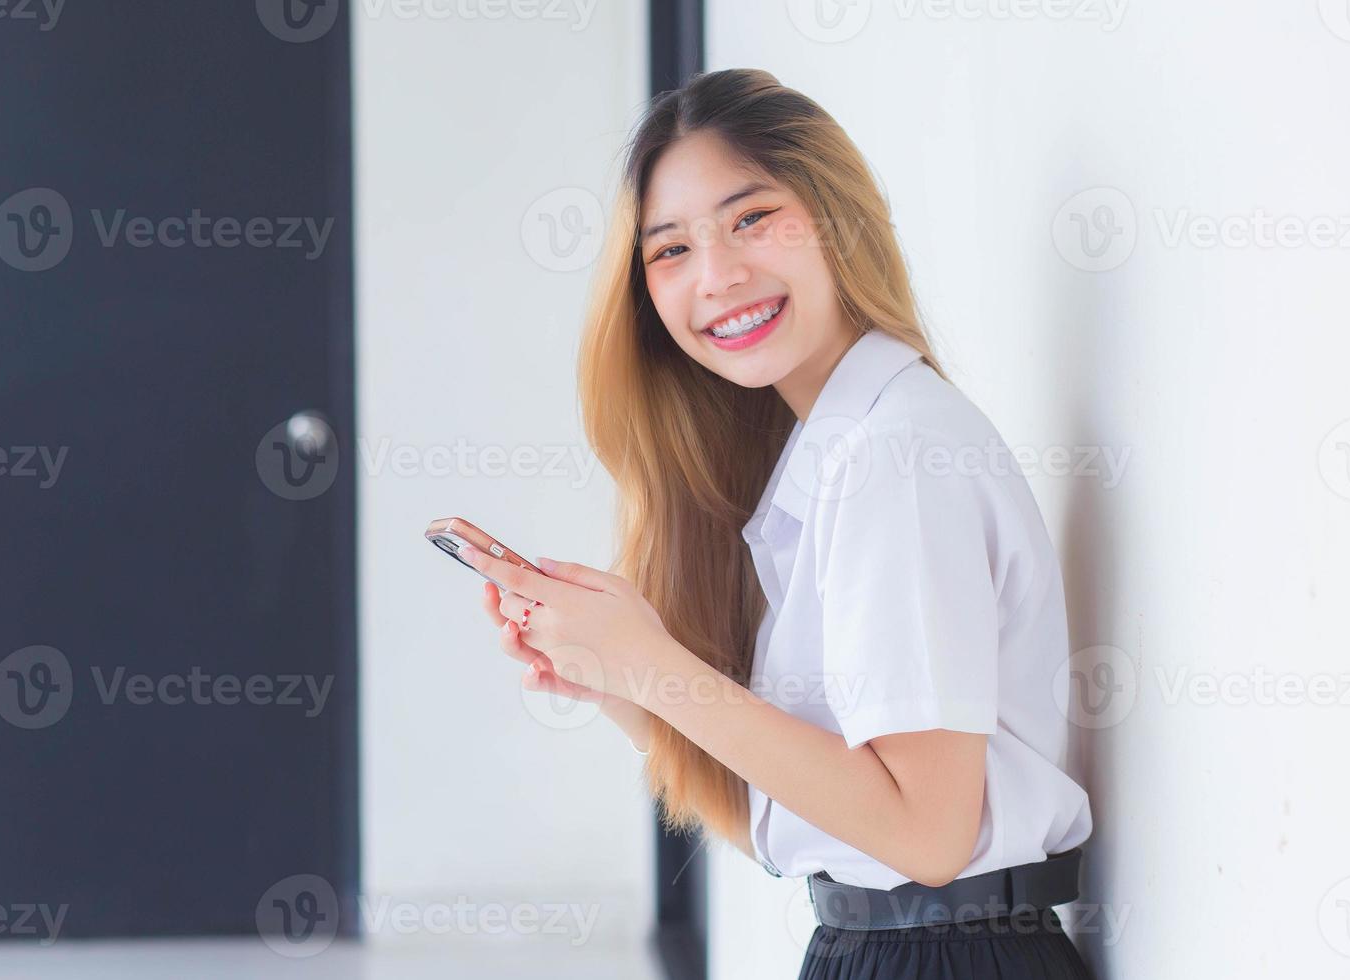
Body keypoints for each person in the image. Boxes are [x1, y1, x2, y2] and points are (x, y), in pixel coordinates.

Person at [457, 68, 1095, 979]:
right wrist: (626, 690)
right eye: (670, 250)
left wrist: (656, 665)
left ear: (836, 217)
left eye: (751, 218)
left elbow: (927, 835)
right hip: (882, 945)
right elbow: (814, 826)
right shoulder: (828, 459)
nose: (717, 275)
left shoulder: (893, 455)